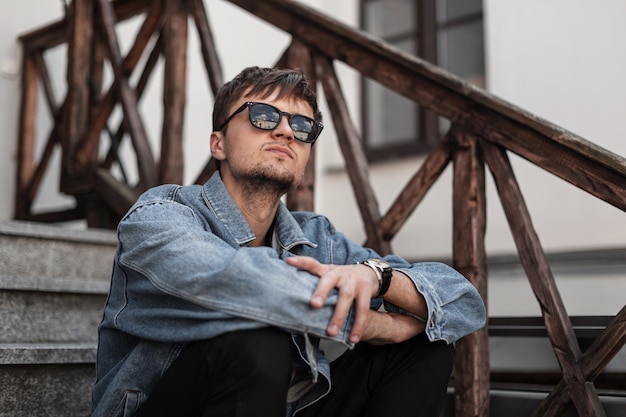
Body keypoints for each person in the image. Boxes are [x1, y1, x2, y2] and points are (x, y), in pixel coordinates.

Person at [91, 66, 486, 417]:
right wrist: (375, 324)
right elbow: (251, 287)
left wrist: (378, 279)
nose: (285, 131)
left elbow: (464, 301)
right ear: (219, 144)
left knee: (422, 349)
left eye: (302, 127)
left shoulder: (315, 236)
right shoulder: (160, 215)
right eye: (262, 116)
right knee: (258, 337)